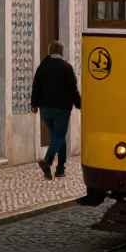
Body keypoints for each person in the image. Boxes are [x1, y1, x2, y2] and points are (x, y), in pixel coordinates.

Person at [31, 40, 81, 180]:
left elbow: (36, 87)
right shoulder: (66, 68)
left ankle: (60, 170)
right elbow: (72, 90)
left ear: (49, 51)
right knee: (58, 136)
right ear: (61, 51)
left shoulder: (42, 67)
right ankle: (47, 160)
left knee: (59, 137)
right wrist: (79, 103)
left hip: (45, 109)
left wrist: (34, 104)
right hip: (62, 109)